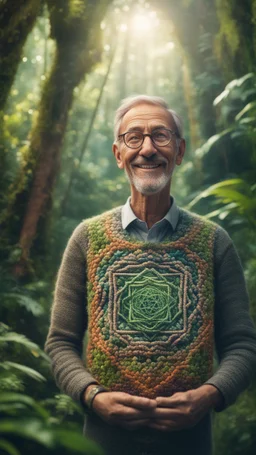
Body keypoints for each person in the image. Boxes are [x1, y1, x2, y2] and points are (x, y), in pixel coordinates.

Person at [45, 95, 256, 455]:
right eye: (133, 137)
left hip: (190, 444)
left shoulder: (214, 242)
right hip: (103, 442)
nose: (147, 149)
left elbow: (242, 345)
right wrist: (92, 395)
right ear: (117, 154)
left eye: (161, 135)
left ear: (179, 150)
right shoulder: (87, 239)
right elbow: (60, 343)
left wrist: (209, 395)